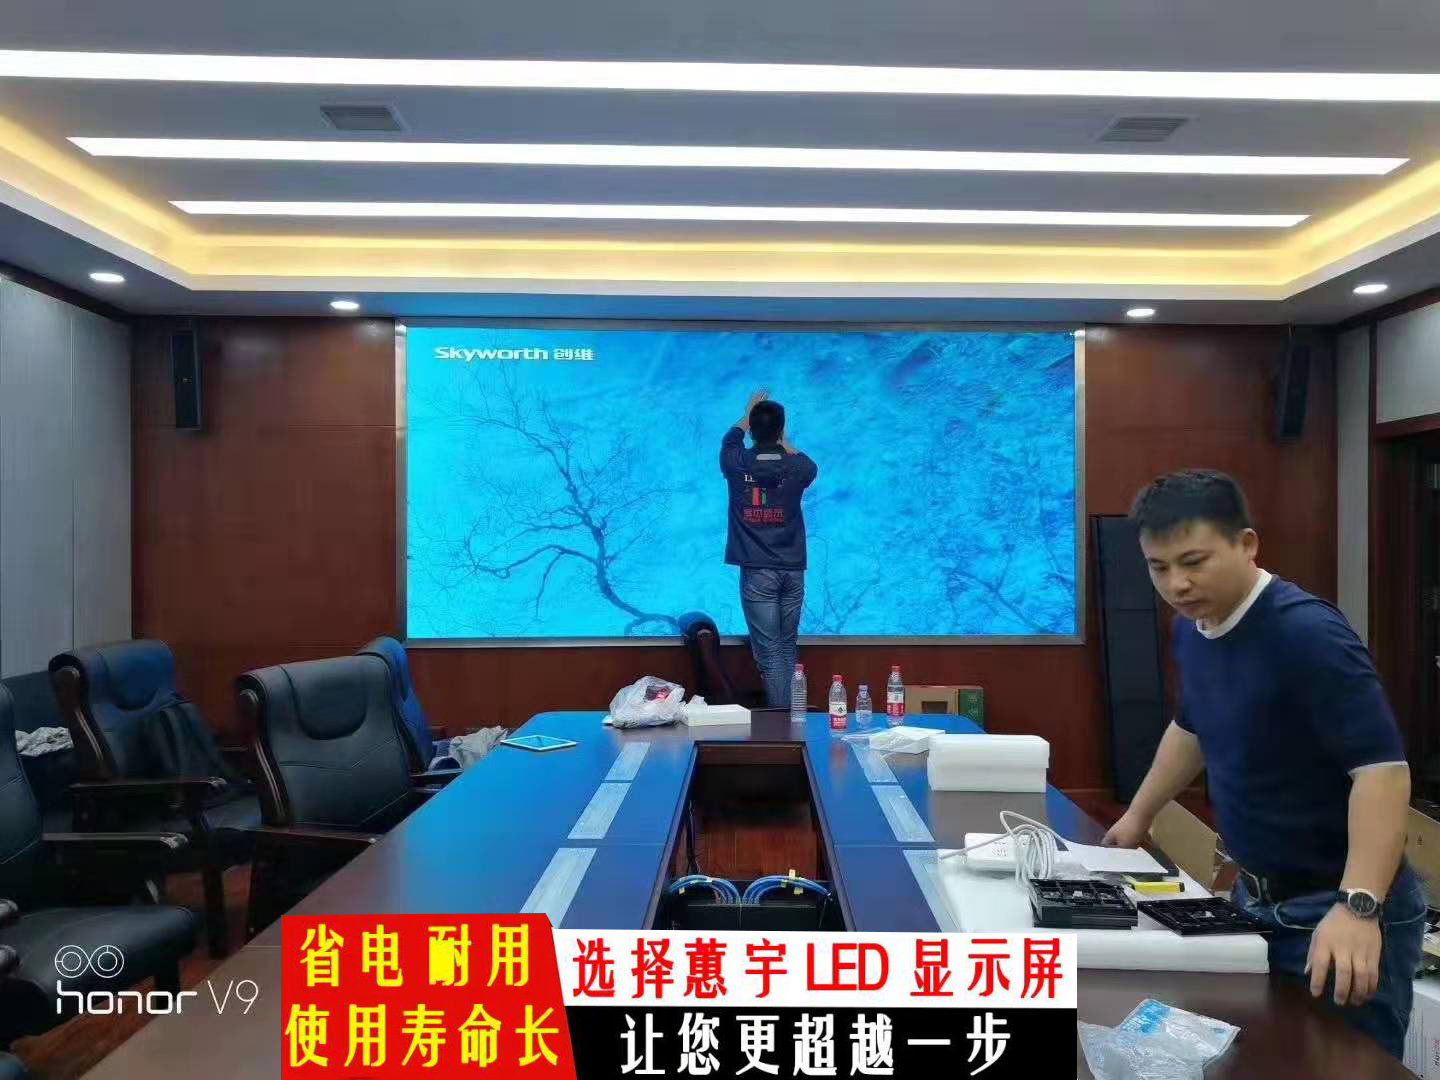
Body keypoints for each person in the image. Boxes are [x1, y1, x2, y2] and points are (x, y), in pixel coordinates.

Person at [1103, 469, 1422, 1059]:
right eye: (1159, 567)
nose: (1177, 583)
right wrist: (1138, 816)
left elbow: (1381, 772)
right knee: (1266, 1060)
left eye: (1194, 561)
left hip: (1335, 905)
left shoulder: (1307, 634)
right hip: (1255, 899)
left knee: (1342, 1067)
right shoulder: (1194, 628)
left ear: (1247, 543)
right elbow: (1191, 728)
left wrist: (1358, 907)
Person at [720, 389, 819, 707]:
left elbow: (732, 438)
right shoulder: (799, 467)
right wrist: (781, 439)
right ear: (781, 430)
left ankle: (784, 723)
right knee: (787, 646)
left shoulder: (736, 463)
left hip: (758, 574)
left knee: (770, 655)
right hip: (793, 572)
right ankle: (793, 717)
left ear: (752, 428)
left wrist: (747, 414)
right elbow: (807, 465)